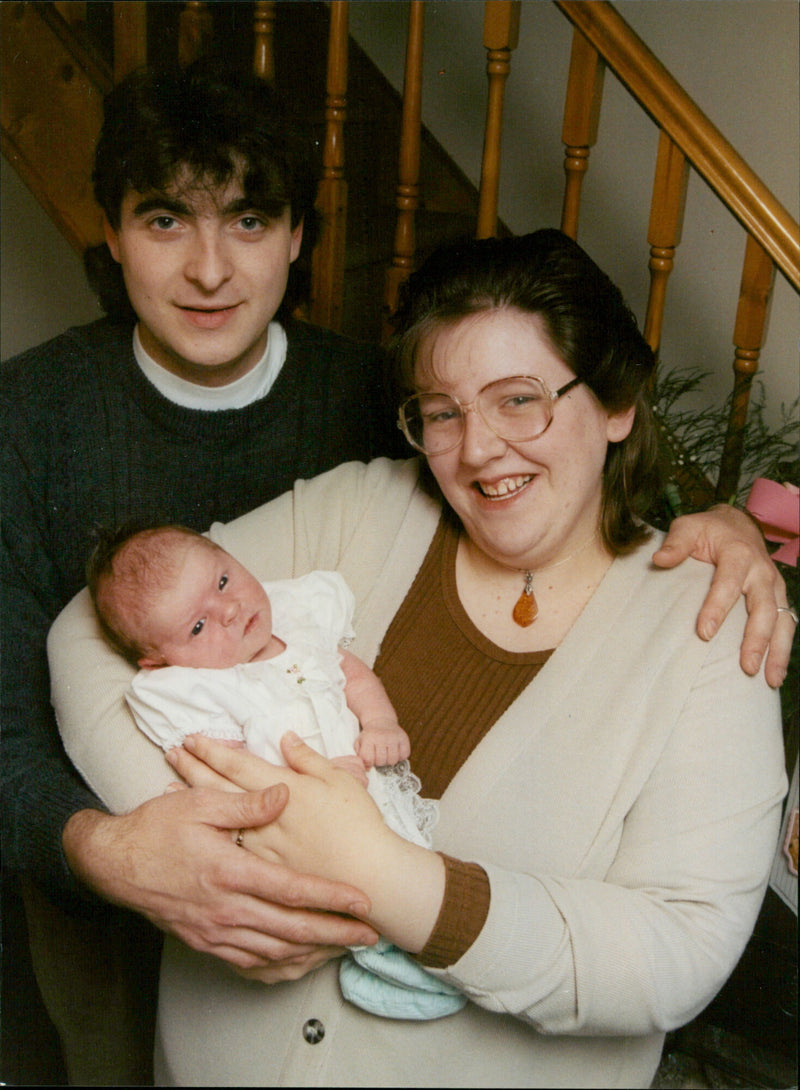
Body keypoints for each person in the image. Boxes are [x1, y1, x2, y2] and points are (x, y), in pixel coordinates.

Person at [49, 229, 794, 1087]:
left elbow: (680, 949)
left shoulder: (706, 624)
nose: (477, 451)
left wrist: (386, 878)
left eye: (520, 400)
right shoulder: (363, 504)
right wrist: (178, 859)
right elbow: (87, 633)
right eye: (442, 412)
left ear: (618, 402)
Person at [1, 57, 407, 1085]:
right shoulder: (28, 416)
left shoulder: (376, 397)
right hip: (104, 915)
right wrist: (109, 853)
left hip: (351, 905)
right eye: (166, 220)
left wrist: (708, 530)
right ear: (111, 229)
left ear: (300, 236)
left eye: (251, 220)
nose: (211, 271)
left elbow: (543, 504)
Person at [87, 522, 463, 1020]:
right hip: (300, 815)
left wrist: (379, 720)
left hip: (366, 781)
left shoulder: (298, 620)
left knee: (409, 855)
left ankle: (423, 946)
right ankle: (377, 958)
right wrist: (320, 785)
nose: (229, 610)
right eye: (197, 627)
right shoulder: (209, 689)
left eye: (223, 581)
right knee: (341, 889)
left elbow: (348, 671)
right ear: (159, 662)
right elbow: (234, 775)